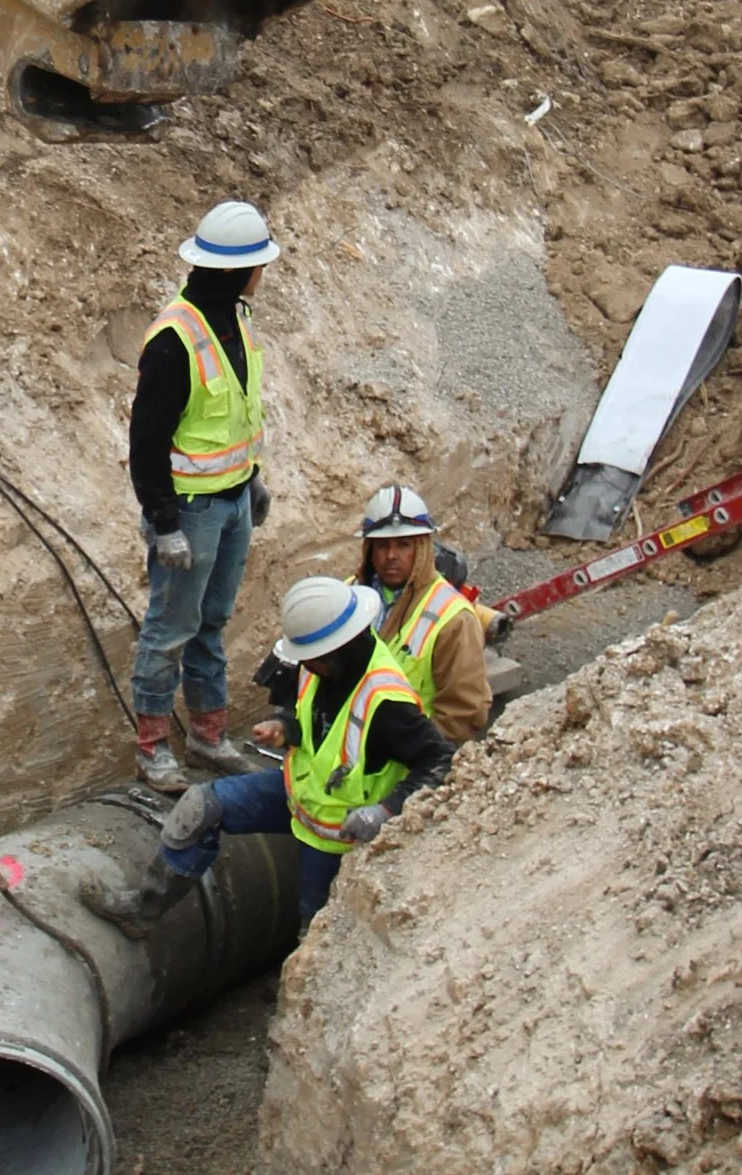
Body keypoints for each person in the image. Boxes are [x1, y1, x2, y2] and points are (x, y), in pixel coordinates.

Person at [88, 573, 454, 933]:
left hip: (337, 833)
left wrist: (384, 811)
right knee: (199, 808)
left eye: (316, 659)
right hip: (298, 793)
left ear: (342, 646)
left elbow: (439, 760)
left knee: (316, 932)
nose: (308, 665)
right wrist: (285, 728)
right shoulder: (321, 663)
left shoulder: (387, 701)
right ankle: (143, 911)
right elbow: (321, 723)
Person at [125, 199, 278, 795]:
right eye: (259, 264)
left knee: (211, 623)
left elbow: (233, 412)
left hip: (233, 500)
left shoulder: (233, 319)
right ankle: (153, 749)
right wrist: (164, 523)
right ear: (239, 270)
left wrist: (252, 477)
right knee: (170, 628)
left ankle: (208, 736)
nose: (263, 274)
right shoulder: (174, 339)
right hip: (192, 512)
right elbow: (147, 442)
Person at [357, 479, 493, 743]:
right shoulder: (349, 596)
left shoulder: (453, 619)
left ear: (421, 548)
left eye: (404, 545)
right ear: (369, 550)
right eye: (382, 545)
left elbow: (464, 713)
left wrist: (412, 750)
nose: (392, 555)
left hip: (402, 764)